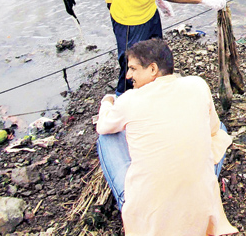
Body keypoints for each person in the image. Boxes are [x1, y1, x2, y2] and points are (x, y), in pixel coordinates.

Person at [96, 38, 237, 236]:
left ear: (153, 69)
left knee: (105, 136)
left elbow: (103, 126)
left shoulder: (129, 100)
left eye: (134, 69)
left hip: (151, 212)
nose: (128, 75)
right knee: (219, 128)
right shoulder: (197, 85)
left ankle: (133, 203)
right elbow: (214, 130)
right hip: (200, 203)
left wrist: (107, 101)